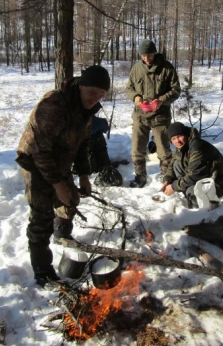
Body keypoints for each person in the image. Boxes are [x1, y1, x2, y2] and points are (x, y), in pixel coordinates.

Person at [15, 65, 110, 287]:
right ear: (81, 85)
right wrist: (58, 184)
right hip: (35, 160)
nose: (95, 99)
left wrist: (84, 176)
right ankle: (43, 272)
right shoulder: (54, 104)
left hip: (60, 159)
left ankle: (61, 235)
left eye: (101, 95)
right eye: (92, 92)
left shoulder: (87, 110)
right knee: (42, 215)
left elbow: (83, 144)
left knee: (70, 200)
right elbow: (40, 149)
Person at [126, 39, 181, 187]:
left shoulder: (167, 68)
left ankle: (166, 176)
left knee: (164, 149)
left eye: (149, 55)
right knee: (137, 148)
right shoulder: (136, 68)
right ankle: (140, 177)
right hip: (140, 114)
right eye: (143, 55)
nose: (146, 58)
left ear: (154, 53)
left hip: (160, 116)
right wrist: (136, 98)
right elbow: (129, 88)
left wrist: (162, 100)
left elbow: (176, 90)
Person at [160, 122, 223, 210]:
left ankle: (199, 210)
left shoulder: (197, 146)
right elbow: (172, 165)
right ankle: (190, 196)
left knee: (192, 192)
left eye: (179, 136)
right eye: (173, 139)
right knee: (176, 165)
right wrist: (168, 180)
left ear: (185, 134)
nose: (177, 141)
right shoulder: (182, 146)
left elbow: (195, 174)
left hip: (217, 183)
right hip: (202, 179)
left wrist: (174, 187)